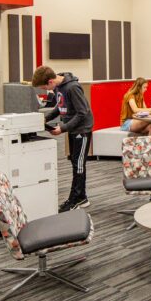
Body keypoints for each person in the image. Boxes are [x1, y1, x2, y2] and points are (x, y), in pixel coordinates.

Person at [32, 66, 94, 211]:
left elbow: (82, 113)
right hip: (72, 128)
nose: (46, 91)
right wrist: (45, 118)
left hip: (82, 130)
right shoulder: (58, 87)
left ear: (51, 81)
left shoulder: (72, 88)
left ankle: (75, 199)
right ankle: (82, 197)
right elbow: (60, 107)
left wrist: (62, 128)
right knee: (75, 162)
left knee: (78, 164)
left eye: (44, 87)